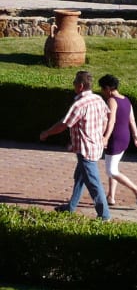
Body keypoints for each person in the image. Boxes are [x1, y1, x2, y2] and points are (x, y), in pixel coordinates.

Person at [39, 70, 111, 220]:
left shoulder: (79, 104)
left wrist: (46, 133)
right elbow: (105, 119)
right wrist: (102, 137)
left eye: (74, 83)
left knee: (93, 183)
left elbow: (64, 124)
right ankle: (71, 206)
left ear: (80, 86)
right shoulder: (98, 99)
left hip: (86, 150)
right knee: (80, 177)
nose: (73, 85)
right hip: (95, 147)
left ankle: (104, 216)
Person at [99, 74, 137, 209]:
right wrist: (136, 135)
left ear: (107, 88)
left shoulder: (111, 101)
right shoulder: (126, 100)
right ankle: (111, 196)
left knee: (111, 171)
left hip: (115, 138)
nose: (102, 92)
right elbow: (132, 120)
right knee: (114, 167)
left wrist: (105, 137)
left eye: (102, 89)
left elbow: (111, 120)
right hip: (125, 137)